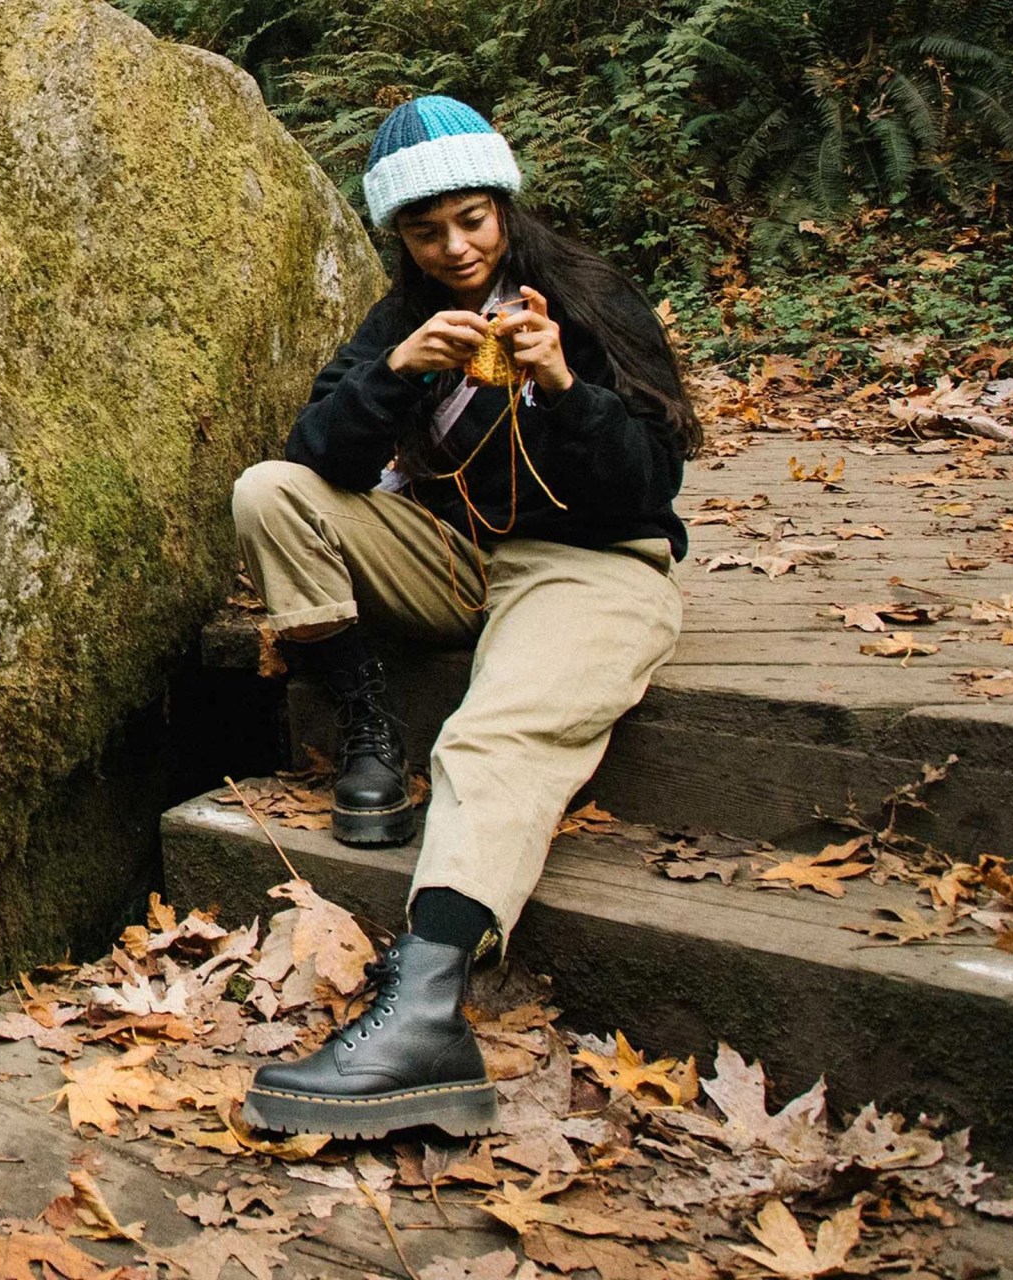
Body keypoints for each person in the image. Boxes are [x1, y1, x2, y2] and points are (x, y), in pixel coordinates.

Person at [235, 96, 702, 1139]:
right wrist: (396, 379)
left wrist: (566, 386)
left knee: (493, 734)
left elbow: (652, 480)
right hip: (453, 556)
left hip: (591, 564)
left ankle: (428, 1008)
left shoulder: (588, 294)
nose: (453, 247)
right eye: (424, 229)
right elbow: (319, 465)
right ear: (398, 236)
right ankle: (367, 725)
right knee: (266, 488)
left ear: (503, 203)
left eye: (471, 220)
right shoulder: (401, 318)